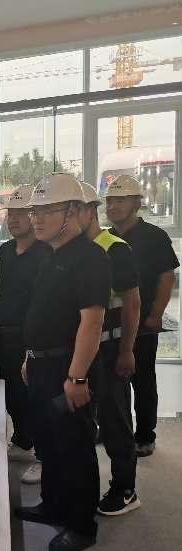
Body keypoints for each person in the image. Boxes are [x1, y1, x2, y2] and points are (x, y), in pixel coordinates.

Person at [16, 172, 110, 551]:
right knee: (49, 442)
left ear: (73, 211)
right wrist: (30, 356)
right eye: (34, 211)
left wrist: (77, 377)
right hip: (42, 366)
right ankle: (53, 505)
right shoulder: (50, 254)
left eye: (46, 210)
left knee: (74, 445)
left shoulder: (90, 258)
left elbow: (92, 322)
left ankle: (82, 525)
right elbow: (45, 313)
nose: (36, 218)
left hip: (68, 369)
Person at [77, 181, 141, 516]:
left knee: (115, 420)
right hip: (82, 352)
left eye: (73, 210)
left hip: (110, 348)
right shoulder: (72, 251)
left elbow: (132, 303)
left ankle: (125, 488)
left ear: (90, 212)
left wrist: (127, 350)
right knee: (85, 421)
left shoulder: (115, 249)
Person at [106, 175, 180, 457]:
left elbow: (167, 277)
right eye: (109, 201)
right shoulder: (104, 238)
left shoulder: (153, 236)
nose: (112, 206)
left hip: (143, 321)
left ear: (136, 203)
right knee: (110, 381)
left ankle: (145, 435)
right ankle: (110, 429)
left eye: (120, 200)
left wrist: (156, 314)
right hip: (111, 323)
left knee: (142, 378)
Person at [0, 184, 51, 485]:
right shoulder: (5, 251)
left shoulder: (46, 252)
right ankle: (23, 438)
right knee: (11, 391)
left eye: (21, 213)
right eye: (10, 213)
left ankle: (45, 454)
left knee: (35, 393)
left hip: (33, 334)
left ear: (35, 215)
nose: (13, 219)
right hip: (5, 331)